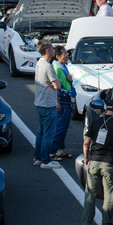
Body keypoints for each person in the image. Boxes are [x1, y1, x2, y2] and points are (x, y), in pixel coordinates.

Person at [33, 40, 61, 169]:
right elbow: (57, 85)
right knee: (48, 134)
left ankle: (38, 157)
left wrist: (53, 83)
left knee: (41, 132)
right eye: (52, 48)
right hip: (48, 104)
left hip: (39, 102)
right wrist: (57, 82)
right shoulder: (48, 66)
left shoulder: (39, 63)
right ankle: (45, 160)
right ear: (48, 51)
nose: (54, 50)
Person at [50, 45, 75, 160]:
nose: (67, 55)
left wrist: (70, 80)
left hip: (67, 100)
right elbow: (55, 87)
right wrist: (57, 102)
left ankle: (59, 150)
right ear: (58, 56)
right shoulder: (56, 68)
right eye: (64, 53)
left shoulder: (63, 66)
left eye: (66, 53)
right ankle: (52, 151)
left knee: (64, 127)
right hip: (62, 100)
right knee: (60, 126)